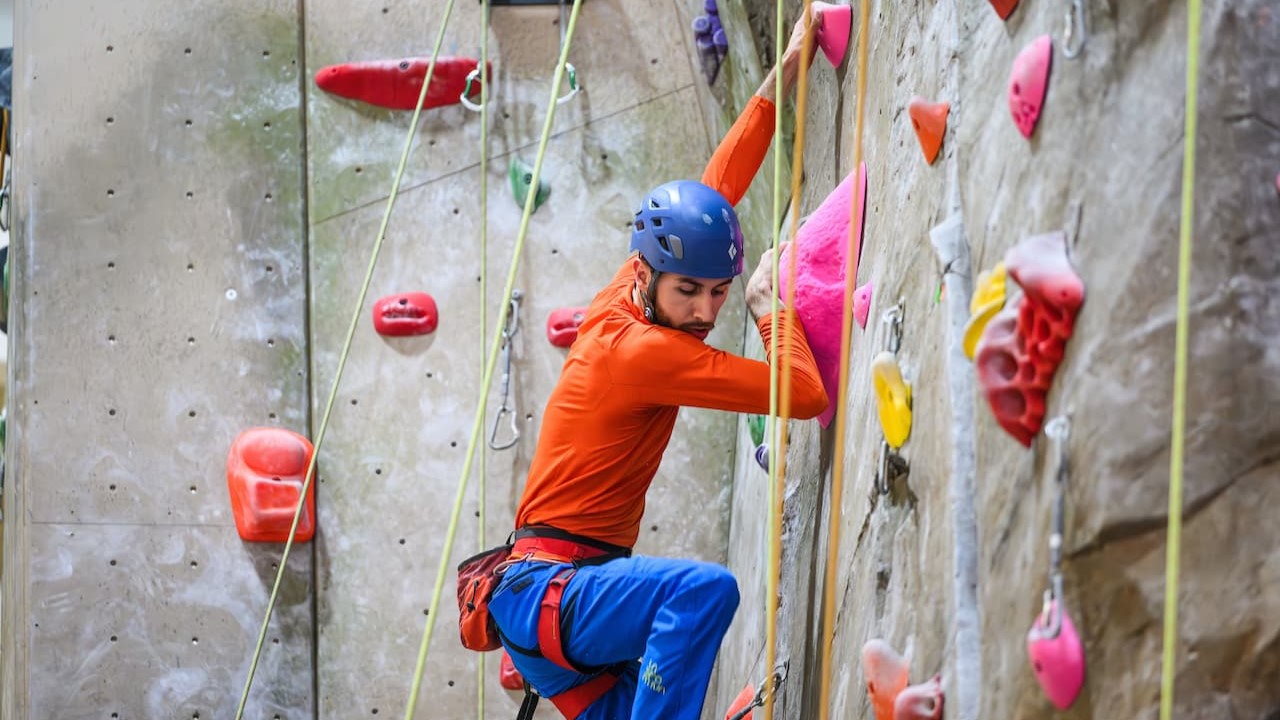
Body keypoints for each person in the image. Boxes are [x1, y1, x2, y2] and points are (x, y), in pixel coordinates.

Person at [487, 10, 829, 720]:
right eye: (691, 293)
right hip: (555, 590)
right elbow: (799, 391)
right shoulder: (644, 353)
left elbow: (716, 186)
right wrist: (767, 309)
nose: (707, 311)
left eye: (721, 293)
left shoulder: (631, 292)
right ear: (650, 275)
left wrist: (784, 73)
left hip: (554, 595)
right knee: (702, 594)